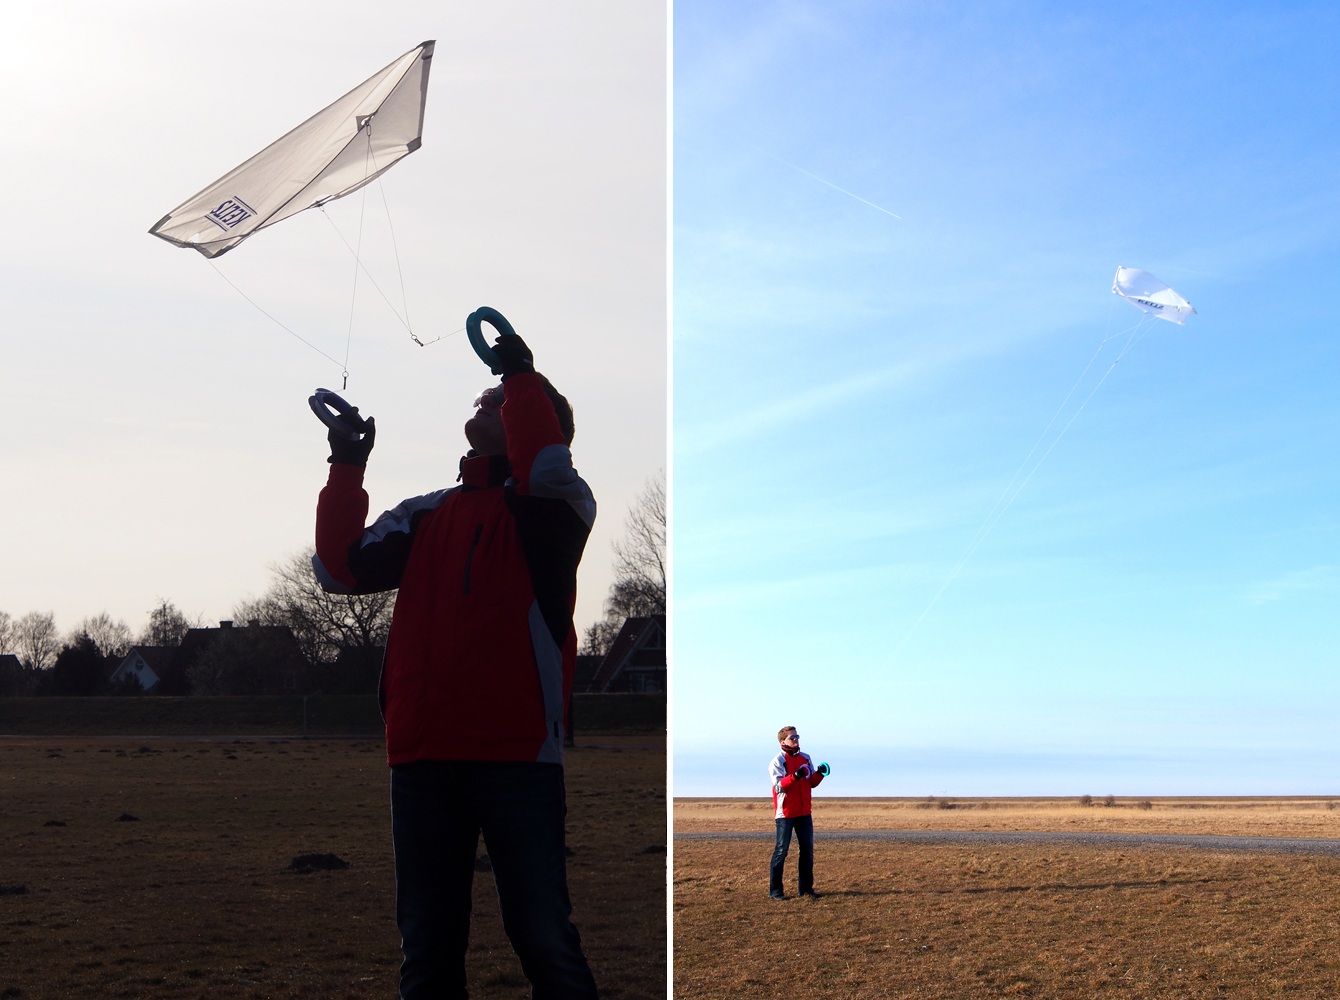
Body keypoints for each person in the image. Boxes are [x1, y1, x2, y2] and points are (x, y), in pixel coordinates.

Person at [313, 331, 599, 999]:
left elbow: (546, 469)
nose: (486, 398)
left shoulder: (557, 508)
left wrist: (522, 374)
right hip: (422, 755)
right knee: (427, 947)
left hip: (518, 756)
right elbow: (337, 568)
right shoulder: (427, 513)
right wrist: (346, 465)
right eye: (485, 394)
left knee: (544, 940)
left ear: (537, 422)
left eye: (500, 398)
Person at [768, 725, 824, 899]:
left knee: (807, 850)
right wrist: (795, 776)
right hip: (785, 813)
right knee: (781, 850)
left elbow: (811, 782)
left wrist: (820, 774)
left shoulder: (805, 758)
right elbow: (778, 787)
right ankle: (775, 891)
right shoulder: (778, 761)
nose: (796, 740)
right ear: (783, 741)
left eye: (797, 737)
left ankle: (806, 889)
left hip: (804, 812)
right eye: (792, 737)